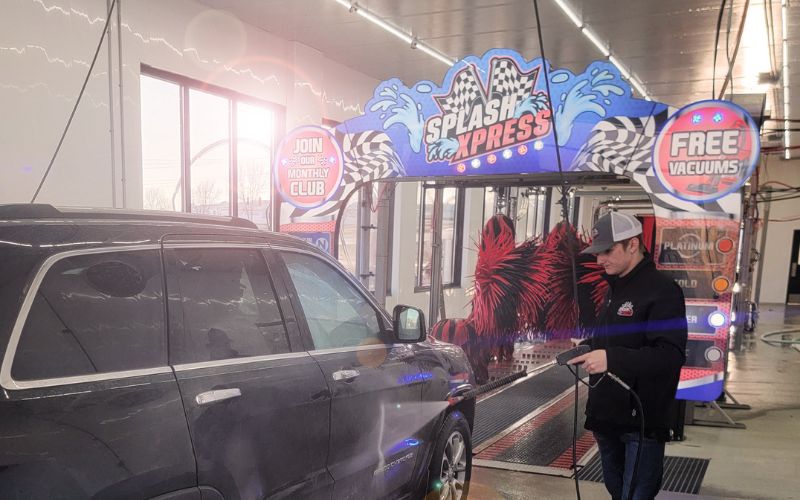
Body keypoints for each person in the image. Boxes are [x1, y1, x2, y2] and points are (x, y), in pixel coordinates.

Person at [568, 211, 687, 500]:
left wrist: (611, 359)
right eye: (598, 253)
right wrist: (588, 346)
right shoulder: (614, 288)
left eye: (607, 251)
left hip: (642, 421)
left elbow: (669, 356)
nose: (600, 260)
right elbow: (616, 339)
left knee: (636, 494)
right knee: (616, 490)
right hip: (606, 415)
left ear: (633, 245)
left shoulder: (663, 291)